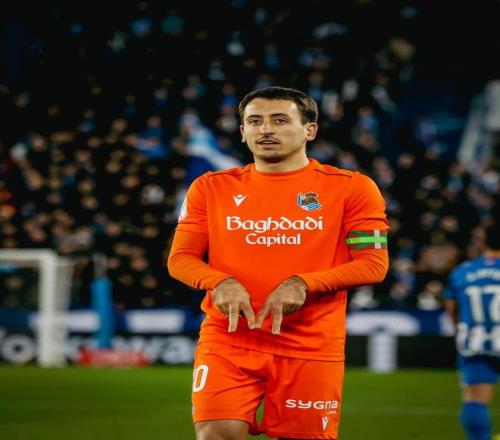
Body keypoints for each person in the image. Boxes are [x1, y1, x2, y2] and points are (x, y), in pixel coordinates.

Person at [167, 86, 389, 440]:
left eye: (280, 120)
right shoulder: (209, 188)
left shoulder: (353, 188)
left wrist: (304, 283)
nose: (266, 129)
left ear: (309, 130)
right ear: (243, 132)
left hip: (310, 345)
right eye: (255, 121)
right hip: (228, 339)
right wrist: (219, 281)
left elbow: (373, 264)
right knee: (216, 434)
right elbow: (181, 259)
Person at [445, 224, 500, 440]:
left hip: (475, 341)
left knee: (475, 398)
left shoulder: (462, 271)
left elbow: (452, 309)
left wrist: (460, 331)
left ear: (483, 241)